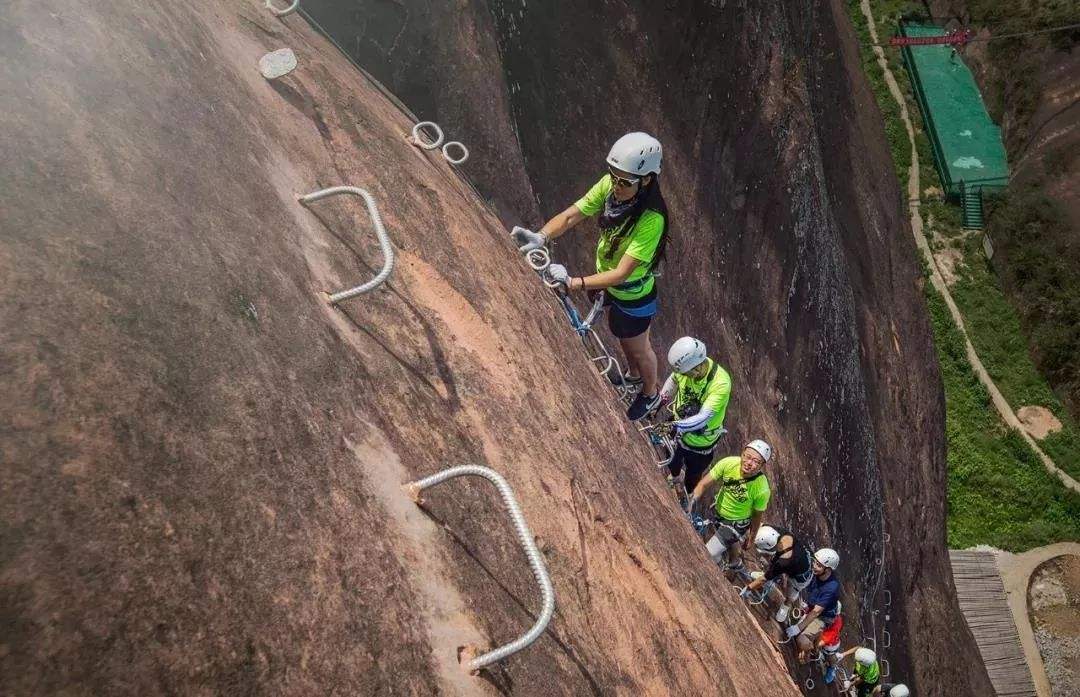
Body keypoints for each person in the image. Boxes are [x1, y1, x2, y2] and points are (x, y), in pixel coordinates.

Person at [511, 132, 669, 421]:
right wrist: (541, 236)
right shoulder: (611, 187)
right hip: (608, 281)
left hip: (633, 295)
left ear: (646, 180)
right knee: (621, 335)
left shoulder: (652, 219)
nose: (617, 186)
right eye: (614, 176)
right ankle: (633, 375)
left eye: (625, 182)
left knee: (638, 345)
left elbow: (622, 273)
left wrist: (574, 283)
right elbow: (573, 214)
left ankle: (649, 392)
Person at [656, 337, 732, 491]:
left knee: (693, 477)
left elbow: (703, 418)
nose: (682, 375)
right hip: (678, 426)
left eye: (685, 373)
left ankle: (688, 495)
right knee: (672, 461)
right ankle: (675, 477)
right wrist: (658, 403)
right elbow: (674, 379)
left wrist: (672, 426)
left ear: (697, 368)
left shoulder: (720, 383)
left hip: (701, 442)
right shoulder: (686, 366)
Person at [687, 440, 771, 576]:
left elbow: (757, 516)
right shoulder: (729, 463)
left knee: (708, 553)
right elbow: (703, 484)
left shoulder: (762, 489)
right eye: (748, 457)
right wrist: (692, 501)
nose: (750, 463)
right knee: (725, 541)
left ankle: (721, 565)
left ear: (762, 466)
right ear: (742, 454)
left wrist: (751, 537)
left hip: (736, 524)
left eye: (756, 461)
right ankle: (735, 560)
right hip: (719, 511)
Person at [743, 524, 814, 623]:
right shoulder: (774, 532)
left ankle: (786, 606)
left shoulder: (784, 562)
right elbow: (760, 524)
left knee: (791, 594)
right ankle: (767, 575)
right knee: (772, 568)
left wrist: (748, 589)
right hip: (798, 557)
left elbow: (765, 579)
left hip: (800, 576)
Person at [785, 547, 841, 663]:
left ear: (828, 569)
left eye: (819, 565)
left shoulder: (831, 587)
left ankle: (812, 650)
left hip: (822, 617)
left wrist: (798, 628)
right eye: (815, 562)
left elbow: (816, 612)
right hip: (811, 605)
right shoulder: (816, 573)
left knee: (801, 639)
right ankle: (814, 642)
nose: (814, 566)